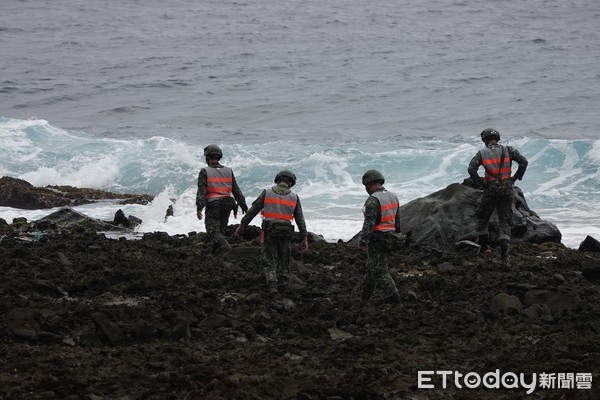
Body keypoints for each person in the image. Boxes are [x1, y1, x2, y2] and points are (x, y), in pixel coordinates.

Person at [234, 170, 309, 294]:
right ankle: (283, 284)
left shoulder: (267, 193)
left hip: (269, 230)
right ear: (291, 182)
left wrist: (242, 226)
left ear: (278, 180)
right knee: (284, 259)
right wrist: (304, 237)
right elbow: (300, 219)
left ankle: (272, 285)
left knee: (269, 258)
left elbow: (253, 211)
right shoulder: (294, 197)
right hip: (286, 232)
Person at [468, 128, 528, 260]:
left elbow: (471, 169)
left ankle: (484, 248)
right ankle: (505, 253)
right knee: (505, 221)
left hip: (490, 190)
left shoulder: (482, 153)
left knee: (482, 217)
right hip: (507, 190)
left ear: (485, 140)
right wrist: (515, 178)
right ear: (497, 138)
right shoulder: (508, 150)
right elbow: (524, 162)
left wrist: (480, 183)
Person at [358, 169, 402, 308]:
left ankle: (396, 301)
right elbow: (398, 221)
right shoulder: (393, 196)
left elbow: (369, 224)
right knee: (372, 268)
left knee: (380, 272)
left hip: (377, 239)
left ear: (369, 184)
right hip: (391, 238)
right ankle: (365, 300)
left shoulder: (373, 200)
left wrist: (363, 242)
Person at [196, 144, 248, 255]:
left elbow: (202, 191)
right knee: (220, 231)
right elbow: (236, 189)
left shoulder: (205, 171)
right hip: (228, 204)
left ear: (207, 157)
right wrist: (243, 204)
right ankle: (214, 255)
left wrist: (199, 207)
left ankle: (229, 251)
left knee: (213, 232)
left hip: (214, 204)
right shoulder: (228, 170)